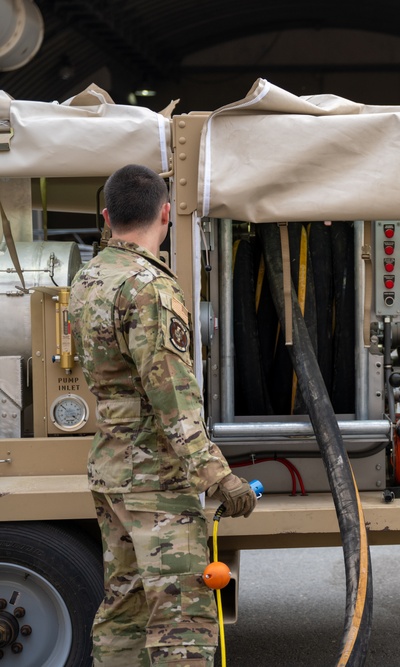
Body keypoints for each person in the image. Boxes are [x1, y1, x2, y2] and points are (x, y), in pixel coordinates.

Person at [70, 164, 257, 666]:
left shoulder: (88, 278)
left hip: (110, 467)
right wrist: (218, 476)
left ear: (106, 216)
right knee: (180, 620)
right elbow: (171, 394)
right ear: (167, 214)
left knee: (123, 608)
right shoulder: (149, 287)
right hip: (154, 475)